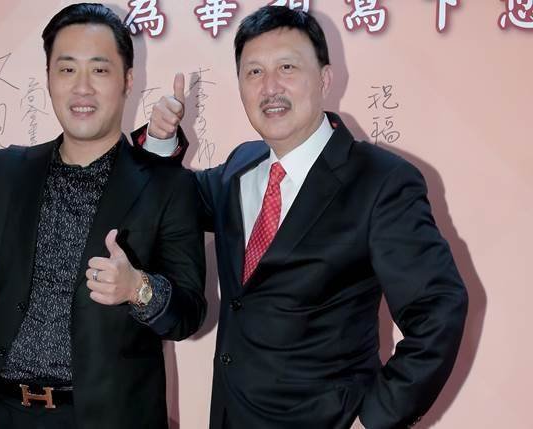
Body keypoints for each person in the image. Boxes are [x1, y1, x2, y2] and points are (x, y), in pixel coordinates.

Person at [138, 5, 468, 429]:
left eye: (287, 67)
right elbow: (177, 201)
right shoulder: (241, 166)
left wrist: (374, 420)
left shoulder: (381, 181)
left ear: (325, 79)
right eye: (254, 72)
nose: (270, 87)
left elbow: (438, 310)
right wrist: (161, 141)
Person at [0, 3, 205, 429]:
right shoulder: (7, 171)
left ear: (128, 80)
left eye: (100, 70)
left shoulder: (168, 186)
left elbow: (188, 315)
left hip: (111, 418)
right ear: (49, 77)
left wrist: (138, 288)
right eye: (67, 69)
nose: (82, 88)